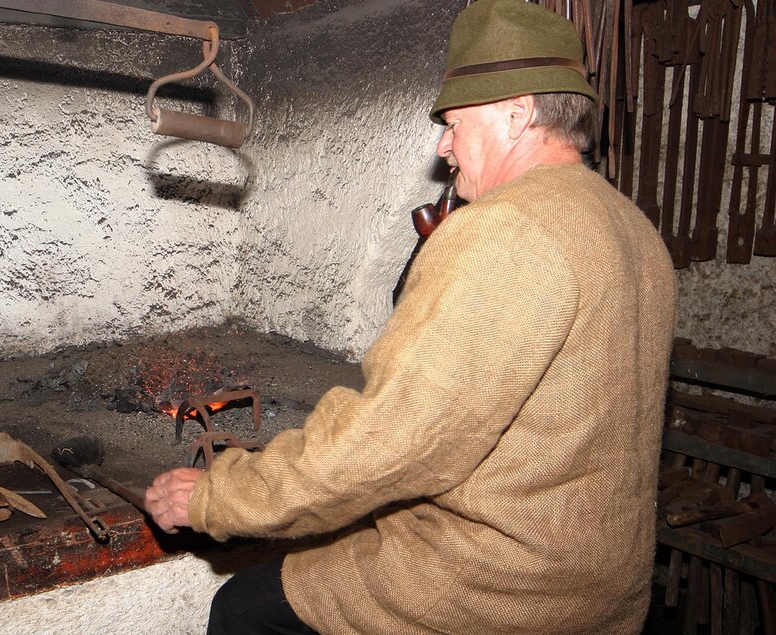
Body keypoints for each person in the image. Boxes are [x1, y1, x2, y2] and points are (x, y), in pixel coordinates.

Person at [145, 0, 677, 633]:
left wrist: (216, 496)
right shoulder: (634, 228)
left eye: (454, 122)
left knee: (243, 608)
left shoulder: (505, 229)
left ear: (518, 113)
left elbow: (390, 441)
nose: (444, 145)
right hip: (598, 587)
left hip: (493, 590)